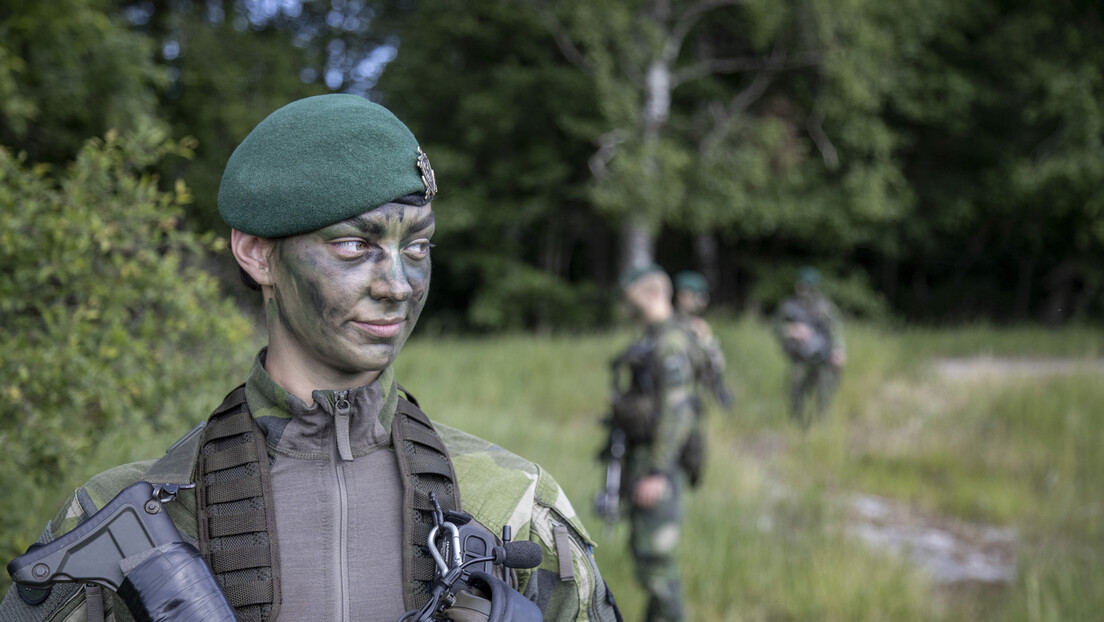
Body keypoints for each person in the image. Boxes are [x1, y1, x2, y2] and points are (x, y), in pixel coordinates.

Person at [0, 95, 621, 622]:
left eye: (418, 245)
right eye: (355, 245)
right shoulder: (126, 521)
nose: (398, 284)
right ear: (257, 254)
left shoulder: (512, 507)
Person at [603, 264, 703, 622]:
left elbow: (678, 412)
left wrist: (658, 471)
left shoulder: (670, 342)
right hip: (640, 458)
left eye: (630, 299)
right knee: (646, 560)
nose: (626, 306)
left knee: (658, 566)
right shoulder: (652, 337)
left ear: (649, 294)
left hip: (657, 464)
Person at [773, 267, 846, 426]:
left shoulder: (825, 307)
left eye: (807, 286)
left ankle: (822, 423)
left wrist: (839, 349)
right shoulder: (789, 306)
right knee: (796, 389)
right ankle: (797, 422)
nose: (803, 290)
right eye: (801, 286)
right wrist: (792, 330)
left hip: (821, 356)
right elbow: (776, 328)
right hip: (799, 357)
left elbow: (835, 330)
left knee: (825, 390)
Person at [672, 270, 734, 412]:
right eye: (697, 297)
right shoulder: (673, 325)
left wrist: (707, 341)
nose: (702, 302)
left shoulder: (697, 324)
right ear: (683, 296)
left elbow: (715, 366)